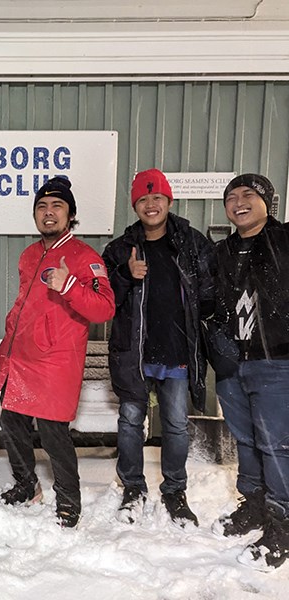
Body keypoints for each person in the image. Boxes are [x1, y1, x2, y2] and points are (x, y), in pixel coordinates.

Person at [0, 176, 115, 528]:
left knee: (54, 434)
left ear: (71, 215)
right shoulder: (29, 255)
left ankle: (69, 501)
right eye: (42, 207)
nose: (48, 213)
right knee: (11, 422)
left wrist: (69, 284)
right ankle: (27, 487)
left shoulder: (84, 256)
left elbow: (104, 309)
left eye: (57, 206)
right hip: (23, 356)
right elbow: (27, 305)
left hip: (57, 360)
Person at [102, 168, 215, 528]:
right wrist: (124, 274)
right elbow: (103, 302)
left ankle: (174, 491)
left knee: (177, 425)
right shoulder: (120, 249)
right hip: (134, 353)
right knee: (131, 421)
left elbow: (210, 290)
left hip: (178, 350)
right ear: (135, 205)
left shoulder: (192, 243)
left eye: (157, 198)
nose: (151, 205)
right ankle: (133, 488)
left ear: (168, 201)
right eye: (143, 199)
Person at [209, 174, 289, 571]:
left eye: (248, 195)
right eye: (231, 197)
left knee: (277, 445)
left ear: (267, 202)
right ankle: (254, 505)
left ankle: (282, 524)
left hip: (276, 361)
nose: (239, 202)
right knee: (246, 441)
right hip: (232, 363)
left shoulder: (283, 242)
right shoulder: (221, 252)